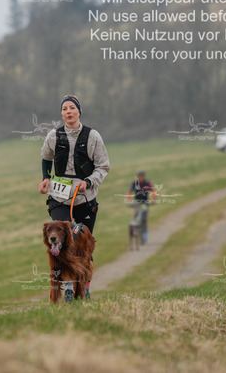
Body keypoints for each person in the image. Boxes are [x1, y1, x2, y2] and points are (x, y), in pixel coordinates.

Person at [38, 95, 110, 300]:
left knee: (83, 245)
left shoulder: (93, 136)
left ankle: (85, 287)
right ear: (61, 114)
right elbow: (46, 158)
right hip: (59, 199)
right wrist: (45, 178)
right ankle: (68, 287)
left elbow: (103, 166)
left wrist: (88, 182)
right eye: (64, 109)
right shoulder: (54, 135)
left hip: (85, 200)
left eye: (72, 108)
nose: (68, 111)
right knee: (61, 241)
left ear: (79, 111)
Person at [126, 171, 156, 245]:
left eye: (142, 176)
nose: (141, 178)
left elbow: (153, 191)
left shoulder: (147, 183)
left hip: (145, 202)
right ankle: (134, 229)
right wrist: (129, 200)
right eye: (139, 176)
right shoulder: (134, 183)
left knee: (144, 218)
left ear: (144, 176)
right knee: (136, 213)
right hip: (137, 202)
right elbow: (129, 192)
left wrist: (153, 199)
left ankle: (144, 234)